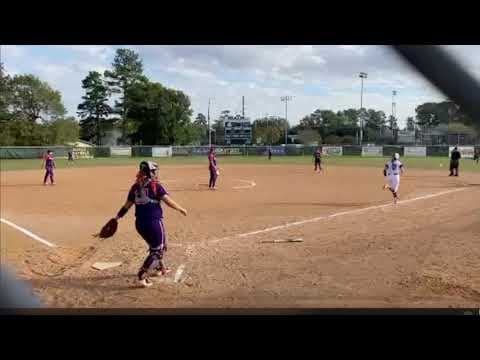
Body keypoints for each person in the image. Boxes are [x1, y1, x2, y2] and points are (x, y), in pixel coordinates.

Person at [113, 161, 187, 288]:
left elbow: (126, 206)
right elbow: (168, 202)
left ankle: (159, 267)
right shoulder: (155, 186)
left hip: (140, 224)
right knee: (158, 249)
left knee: (154, 245)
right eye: (154, 171)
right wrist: (181, 208)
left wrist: (117, 218)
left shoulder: (135, 187)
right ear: (150, 172)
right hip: (153, 222)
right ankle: (142, 275)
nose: (155, 173)